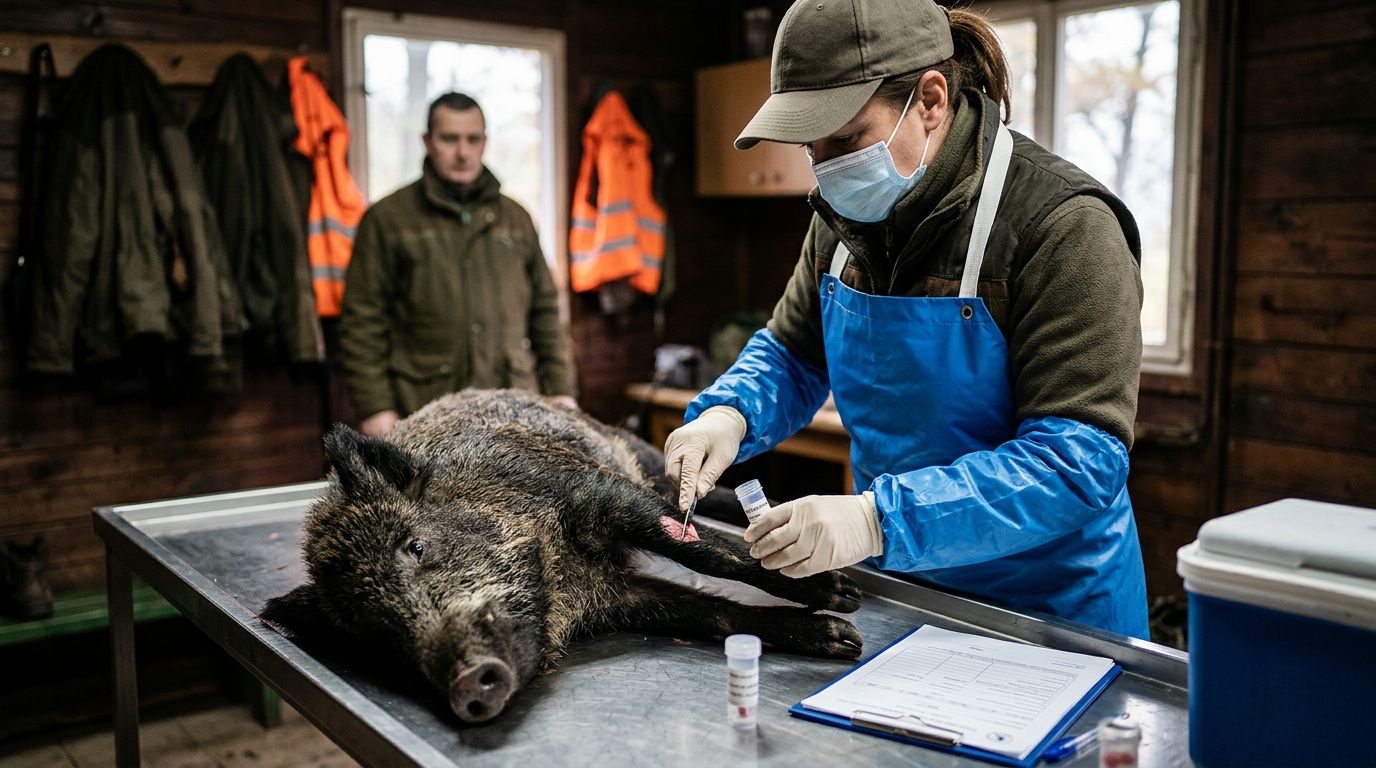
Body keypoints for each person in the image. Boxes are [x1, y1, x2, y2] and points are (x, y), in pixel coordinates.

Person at [665, 0, 1150, 638]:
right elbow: (794, 353)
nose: (827, 166)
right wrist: (729, 415)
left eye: (846, 138)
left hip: (1053, 612)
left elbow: (1076, 460)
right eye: (813, 146)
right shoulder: (839, 219)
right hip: (905, 591)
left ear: (930, 100)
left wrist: (877, 521)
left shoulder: (1063, 226)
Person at [340, 93, 577, 437]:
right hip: (421, 412)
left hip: (514, 411)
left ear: (485, 142)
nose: (462, 152)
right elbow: (362, 323)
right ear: (427, 142)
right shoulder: (388, 219)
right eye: (449, 139)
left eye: (473, 139)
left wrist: (562, 390)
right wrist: (376, 408)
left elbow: (545, 311)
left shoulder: (515, 218)